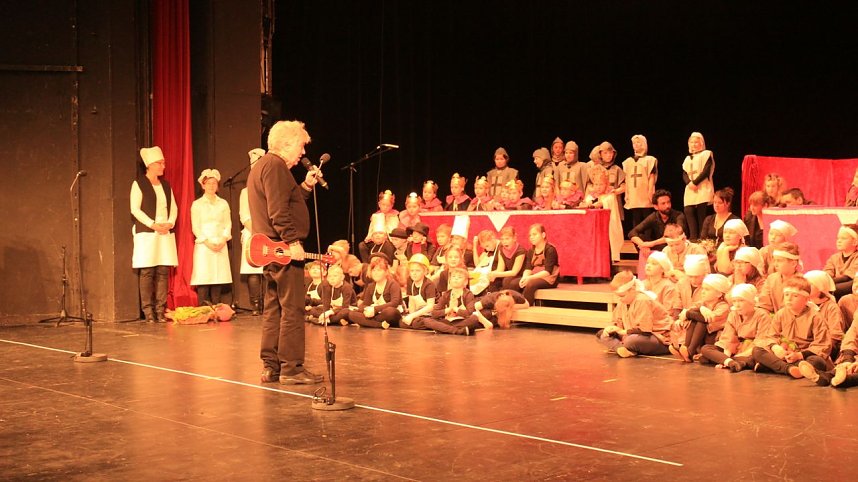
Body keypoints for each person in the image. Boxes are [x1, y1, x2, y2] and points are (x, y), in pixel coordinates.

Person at [246, 119, 323, 385]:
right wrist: (293, 242)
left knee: (274, 308)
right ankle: (292, 368)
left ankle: (272, 366)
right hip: (283, 249)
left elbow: (283, 203)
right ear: (287, 143)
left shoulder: (263, 166)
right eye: (300, 146)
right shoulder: (276, 166)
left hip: (271, 250)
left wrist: (305, 187)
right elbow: (278, 211)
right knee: (292, 308)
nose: (302, 153)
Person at [131, 146, 178, 323]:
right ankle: (148, 311)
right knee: (148, 272)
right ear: (150, 165)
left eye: (163, 163)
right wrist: (152, 224)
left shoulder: (165, 185)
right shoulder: (139, 184)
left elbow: (173, 208)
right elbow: (134, 209)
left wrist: (170, 223)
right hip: (147, 234)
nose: (163, 166)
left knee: (163, 271)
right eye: (160, 163)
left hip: (164, 232)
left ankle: (160, 309)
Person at [751, 276, 832, 379]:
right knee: (757, 351)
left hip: (804, 356)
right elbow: (770, 336)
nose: (789, 299)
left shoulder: (815, 317)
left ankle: (776, 367)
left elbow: (822, 345)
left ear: (806, 299)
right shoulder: (781, 314)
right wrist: (776, 348)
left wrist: (799, 355)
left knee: (817, 361)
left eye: (795, 296)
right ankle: (790, 369)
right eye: (786, 295)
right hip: (786, 354)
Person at [596, 271, 672, 357]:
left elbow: (645, 330)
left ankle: (621, 346)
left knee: (631, 341)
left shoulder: (642, 300)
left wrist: (622, 331)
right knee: (602, 334)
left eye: (622, 296)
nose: (619, 299)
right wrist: (611, 328)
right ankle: (622, 348)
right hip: (630, 334)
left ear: (632, 290)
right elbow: (617, 321)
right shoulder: (623, 302)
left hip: (658, 337)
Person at [698, 284, 771, 372]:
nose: (737, 305)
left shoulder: (762, 315)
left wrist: (728, 359)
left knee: (757, 356)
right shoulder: (733, 314)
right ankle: (732, 363)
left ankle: (736, 362)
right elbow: (728, 340)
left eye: (741, 300)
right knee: (706, 349)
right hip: (735, 348)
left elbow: (761, 343)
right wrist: (727, 359)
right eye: (734, 301)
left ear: (750, 302)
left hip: (752, 350)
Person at [189, 168, 232, 305]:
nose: (211, 186)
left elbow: (227, 224)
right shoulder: (197, 204)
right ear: (203, 185)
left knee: (217, 276)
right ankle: (204, 308)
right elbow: (196, 227)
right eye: (208, 183)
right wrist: (207, 243)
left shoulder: (223, 203)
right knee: (204, 276)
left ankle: (216, 308)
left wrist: (223, 239)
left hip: (220, 243)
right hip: (204, 245)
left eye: (214, 183)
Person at [669, 273, 730, 362]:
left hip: (713, 340)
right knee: (695, 317)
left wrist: (690, 312)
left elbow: (709, 319)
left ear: (719, 293)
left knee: (701, 320)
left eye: (707, 289)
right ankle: (687, 349)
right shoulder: (703, 303)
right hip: (701, 340)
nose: (703, 291)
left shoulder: (723, 306)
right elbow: (688, 310)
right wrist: (681, 318)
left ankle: (690, 351)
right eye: (703, 288)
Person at [239, 148, 266, 315]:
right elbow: (244, 215)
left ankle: (268, 304)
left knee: (268, 270)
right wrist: (257, 231)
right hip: (253, 233)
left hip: (269, 234)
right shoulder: (245, 192)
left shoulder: (269, 188)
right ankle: (256, 305)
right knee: (254, 270)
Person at [346, 253, 402, 329]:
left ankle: (367, 323)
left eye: (379, 270)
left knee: (390, 311)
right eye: (374, 270)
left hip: (388, 315)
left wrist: (375, 309)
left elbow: (394, 303)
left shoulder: (393, 284)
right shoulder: (371, 286)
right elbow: (364, 304)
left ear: (386, 272)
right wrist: (367, 309)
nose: (376, 273)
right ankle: (380, 325)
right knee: (352, 314)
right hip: (376, 316)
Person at [583, 166, 624, 262]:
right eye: (596, 184)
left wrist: (598, 204)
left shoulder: (610, 194)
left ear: (606, 184)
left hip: (607, 225)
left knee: (607, 245)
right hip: (595, 225)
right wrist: (588, 203)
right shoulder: (591, 195)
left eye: (601, 184)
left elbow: (605, 203)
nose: (598, 187)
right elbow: (587, 202)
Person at [511, 224, 560, 304]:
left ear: (543, 235)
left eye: (534, 234)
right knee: (514, 283)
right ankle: (513, 303)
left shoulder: (550, 249)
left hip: (549, 279)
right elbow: (528, 268)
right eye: (530, 235)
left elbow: (547, 272)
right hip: (535, 276)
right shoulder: (531, 251)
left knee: (531, 284)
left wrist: (530, 278)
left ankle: (526, 304)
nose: (531, 237)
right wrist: (525, 277)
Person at [422, 267, 477, 335]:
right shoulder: (446, 294)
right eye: (453, 276)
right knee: (427, 320)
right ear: (450, 280)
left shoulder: (468, 294)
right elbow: (434, 313)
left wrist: (455, 309)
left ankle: (443, 329)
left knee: (474, 318)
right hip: (448, 321)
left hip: (462, 321)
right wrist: (448, 309)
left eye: (459, 277)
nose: (456, 278)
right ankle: (458, 331)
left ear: (465, 282)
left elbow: (469, 313)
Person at [682, 132, 715, 241]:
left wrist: (695, 182)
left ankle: (702, 238)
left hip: (702, 186)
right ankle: (693, 237)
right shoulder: (687, 158)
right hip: (690, 188)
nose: (693, 144)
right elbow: (684, 173)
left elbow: (706, 171)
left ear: (701, 143)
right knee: (688, 210)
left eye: (696, 142)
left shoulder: (706, 154)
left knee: (702, 214)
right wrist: (689, 183)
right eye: (691, 142)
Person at [622, 134, 658, 231]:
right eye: (634, 143)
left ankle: (648, 237)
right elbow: (626, 179)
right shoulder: (627, 162)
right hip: (633, 192)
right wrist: (627, 193)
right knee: (636, 216)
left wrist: (650, 191)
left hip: (644, 192)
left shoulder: (649, 160)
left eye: (638, 142)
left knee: (647, 215)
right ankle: (636, 236)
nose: (636, 145)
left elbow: (651, 176)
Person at [757, 242, 802, 313]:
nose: (775, 264)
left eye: (779, 261)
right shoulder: (771, 279)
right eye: (775, 260)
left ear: (793, 263)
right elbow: (763, 305)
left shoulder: (802, 282)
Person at [358, 190, 400, 261]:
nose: (385, 207)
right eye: (383, 205)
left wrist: (383, 237)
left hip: (387, 240)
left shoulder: (394, 216)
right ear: (379, 204)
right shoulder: (375, 216)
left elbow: (393, 232)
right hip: (375, 239)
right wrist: (371, 237)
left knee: (388, 246)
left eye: (388, 205)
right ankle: (367, 264)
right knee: (362, 245)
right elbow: (371, 229)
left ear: (392, 206)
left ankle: (387, 264)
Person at [399, 253, 437, 330]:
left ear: (425, 271)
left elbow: (430, 307)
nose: (414, 273)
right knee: (402, 323)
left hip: (430, 313)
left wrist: (412, 316)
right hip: (419, 314)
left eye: (418, 271)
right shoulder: (410, 281)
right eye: (412, 271)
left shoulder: (429, 284)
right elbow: (411, 301)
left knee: (417, 323)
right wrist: (410, 315)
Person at [823, 224, 858, 298]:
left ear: (855, 242)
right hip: (835, 285)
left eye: (843, 238)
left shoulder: (856, 257)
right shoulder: (834, 258)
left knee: (835, 289)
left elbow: (847, 278)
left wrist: (829, 285)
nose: (839, 241)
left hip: (850, 288)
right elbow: (827, 274)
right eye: (838, 238)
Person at [495, 226, 526, 290]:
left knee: (508, 281)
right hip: (511, 275)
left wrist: (495, 274)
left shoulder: (520, 251)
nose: (504, 242)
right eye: (502, 239)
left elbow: (514, 272)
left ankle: (509, 299)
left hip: (521, 275)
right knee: (495, 281)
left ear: (514, 238)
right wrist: (491, 274)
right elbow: (500, 270)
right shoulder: (501, 249)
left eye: (507, 239)